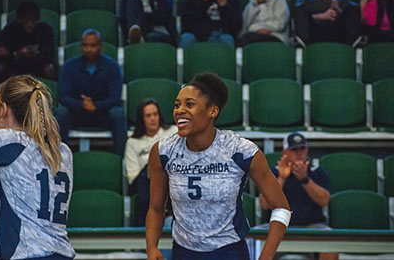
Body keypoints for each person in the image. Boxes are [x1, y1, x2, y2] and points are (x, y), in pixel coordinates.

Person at [145, 72, 291, 260]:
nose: (179, 110)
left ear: (212, 111)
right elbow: (156, 208)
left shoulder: (240, 150)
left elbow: (281, 208)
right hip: (183, 252)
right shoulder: (163, 151)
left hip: (229, 252)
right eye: (177, 105)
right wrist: (151, 247)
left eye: (189, 104)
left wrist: (266, 256)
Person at [0, 75, 75, 259]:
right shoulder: (62, 150)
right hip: (61, 253)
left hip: (26, 253)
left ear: (3, 109)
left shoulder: (7, 141)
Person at [259, 132, 338, 260]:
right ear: (285, 151)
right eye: (294, 149)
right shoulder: (273, 172)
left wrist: (304, 179)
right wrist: (282, 178)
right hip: (278, 226)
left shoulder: (317, 172)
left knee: (331, 244)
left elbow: (324, 200)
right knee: (251, 240)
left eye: (302, 148)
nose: (299, 152)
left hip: (312, 226)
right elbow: (264, 204)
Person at [56, 29, 127, 157]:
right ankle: (57, 160)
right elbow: (63, 96)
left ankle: (123, 161)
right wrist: (81, 105)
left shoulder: (112, 67)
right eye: (85, 45)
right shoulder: (69, 66)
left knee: (117, 114)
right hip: (77, 113)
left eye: (93, 45)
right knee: (61, 112)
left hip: (102, 114)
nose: (89, 49)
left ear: (100, 46)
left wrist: (96, 106)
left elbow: (114, 98)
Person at [124, 98, 177, 226]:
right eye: (148, 115)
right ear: (142, 119)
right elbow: (133, 177)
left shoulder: (173, 133)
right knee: (144, 178)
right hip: (147, 183)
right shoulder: (133, 142)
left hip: (172, 177)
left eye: (155, 114)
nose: (153, 118)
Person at [0, 1, 55, 83]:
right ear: (20, 20)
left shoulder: (45, 29)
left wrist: (37, 52)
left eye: (32, 21)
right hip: (14, 63)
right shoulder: (10, 29)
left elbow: (50, 53)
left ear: (37, 20)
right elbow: (0, 52)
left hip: (38, 63)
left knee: (49, 68)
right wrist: (18, 53)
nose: (29, 24)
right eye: (26, 20)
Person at [293, 0, 361, 45]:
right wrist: (322, 16)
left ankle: (353, 45)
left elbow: (347, 20)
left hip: (337, 32)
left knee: (353, 7)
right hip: (314, 33)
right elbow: (302, 19)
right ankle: (303, 45)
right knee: (299, 8)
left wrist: (338, 10)